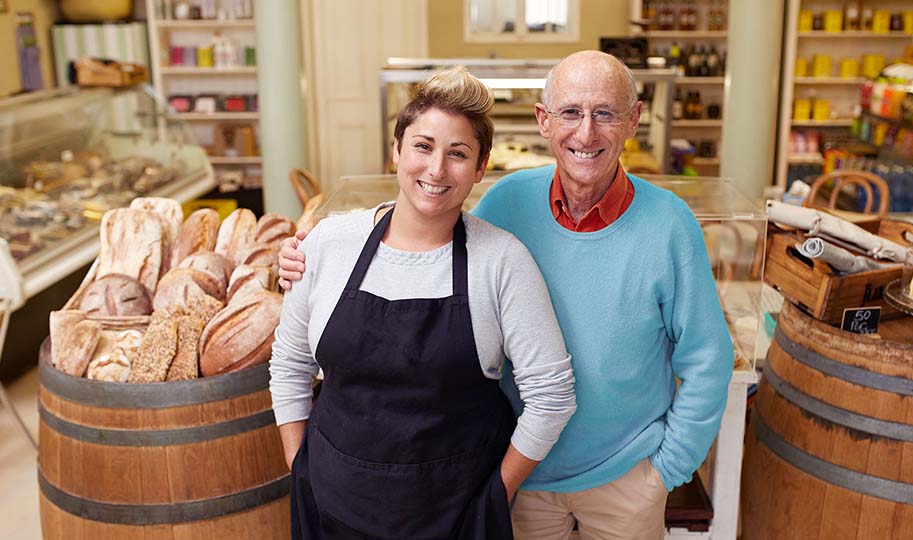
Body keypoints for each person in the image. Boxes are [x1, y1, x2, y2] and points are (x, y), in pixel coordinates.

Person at [279, 51, 733, 540]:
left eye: (605, 113)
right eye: (571, 113)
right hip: (522, 478)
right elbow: (428, 219)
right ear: (544, 120)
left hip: (622, 478)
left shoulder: (669, 225)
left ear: (633, 121)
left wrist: (666, 470)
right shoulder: (507, 202)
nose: (586, 133)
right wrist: (316, 250)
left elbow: (708, 358)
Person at [269, 66, 576, 540]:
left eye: (458, 153)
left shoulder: (501, 261)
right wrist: (302, 469)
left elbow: (552, 396)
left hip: (456, 516)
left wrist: (496, 493)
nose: (436, 169)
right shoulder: (329, 243)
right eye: (423, 146)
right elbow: (289, 365)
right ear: (396, 151)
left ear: (480, 167)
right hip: (330, 508)